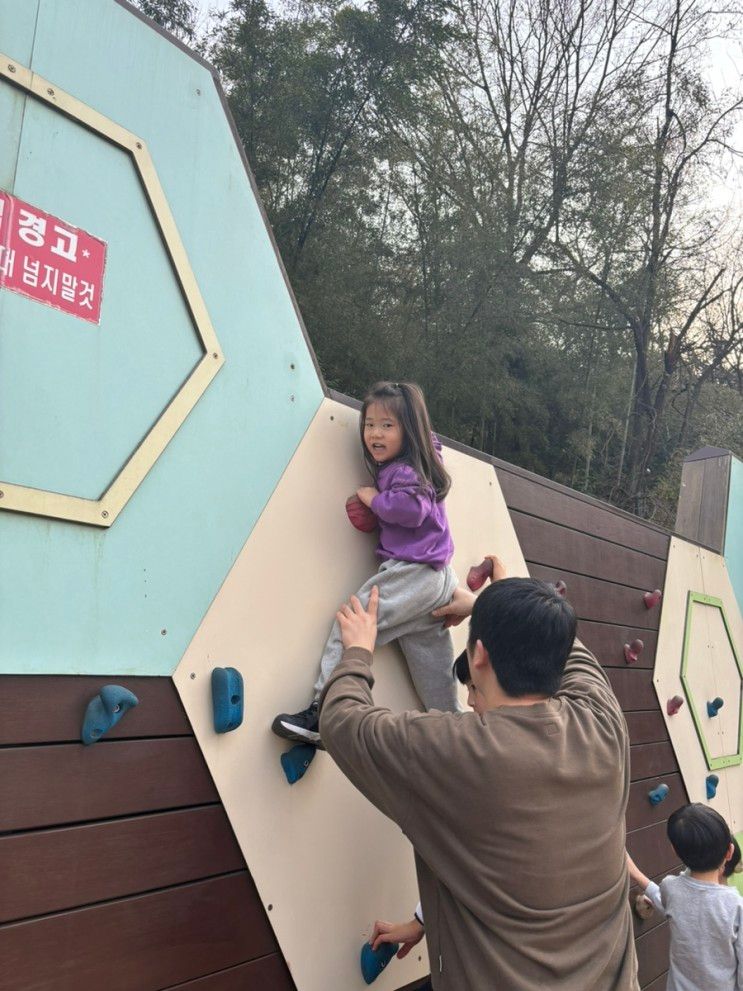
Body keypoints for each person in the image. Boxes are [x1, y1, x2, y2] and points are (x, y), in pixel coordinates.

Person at [319, 574, 639, 990]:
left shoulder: (460, 753)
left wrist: (358, 652)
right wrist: (492, 608)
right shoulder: (603, 724)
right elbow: (570, 650)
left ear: (479, 655)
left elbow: (342, 720)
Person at [272, 381, 459, 747]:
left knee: (352, 624)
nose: (374, 433)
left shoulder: (404, 471)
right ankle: (457, 733)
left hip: (412, 571)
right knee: (433, 668)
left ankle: (323, 712)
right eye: (369, 424)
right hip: (435, 578)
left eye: (387, 425)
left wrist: (375, 500)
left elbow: (412, 509)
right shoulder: (421, 463)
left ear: (410, 431)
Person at [627, 804, 743, 991]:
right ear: (729, 852)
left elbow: (666, 903)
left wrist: (636, 874)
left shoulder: (671, 888)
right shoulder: (736, 907)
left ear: (674, 850)